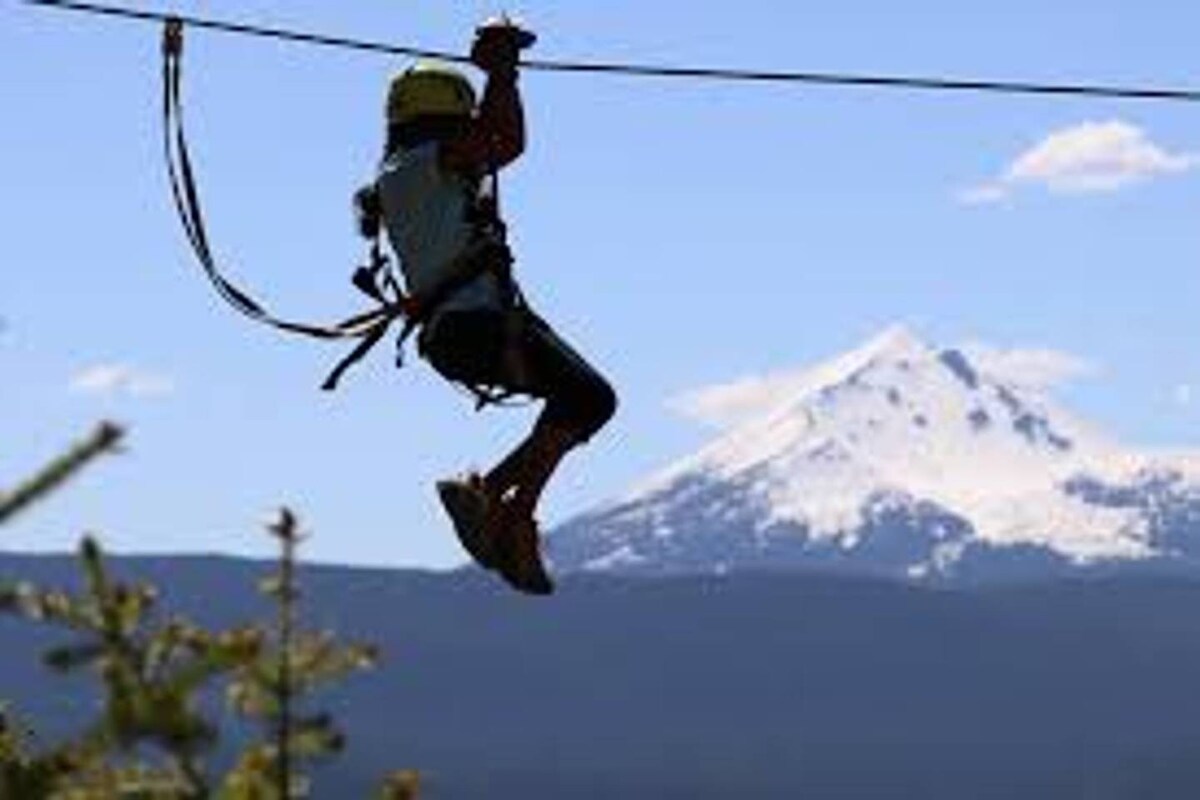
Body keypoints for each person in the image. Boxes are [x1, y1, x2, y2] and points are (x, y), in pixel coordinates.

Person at [369, 19, 616, 595]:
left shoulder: (398, 173)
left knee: (582, 399)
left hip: (454, 333)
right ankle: (508, 509)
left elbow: (498, 144)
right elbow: (507, 140)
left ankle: (498, 502)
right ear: (449, 117)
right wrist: (502, 73)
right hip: (476, 324)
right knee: (590, 398)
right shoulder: (435, 159)